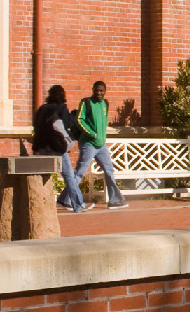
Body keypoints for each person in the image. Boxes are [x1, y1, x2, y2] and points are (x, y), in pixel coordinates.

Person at [32, 84, 87, 213]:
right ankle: (78, 204)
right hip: (57, 148)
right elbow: (69, 123)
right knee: (69, 177)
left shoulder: (41, 109)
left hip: (41, 148)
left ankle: (39, 206)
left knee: (42, 177)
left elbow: (36, 126)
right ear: (62, 95)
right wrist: (73, 115)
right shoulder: (61, 108)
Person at [74, 80, 128, 209]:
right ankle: (66, 199)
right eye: (96, 90)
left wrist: (101, 137)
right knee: (80, 172)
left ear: (105, 92)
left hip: (101, 145)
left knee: (109, 171)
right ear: (93, 90)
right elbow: (79, 120)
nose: (99, 93)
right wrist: (92, 134)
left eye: (101, 91)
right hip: (89, 144)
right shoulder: (86, 102)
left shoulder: (105, 103)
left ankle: (114, 200)